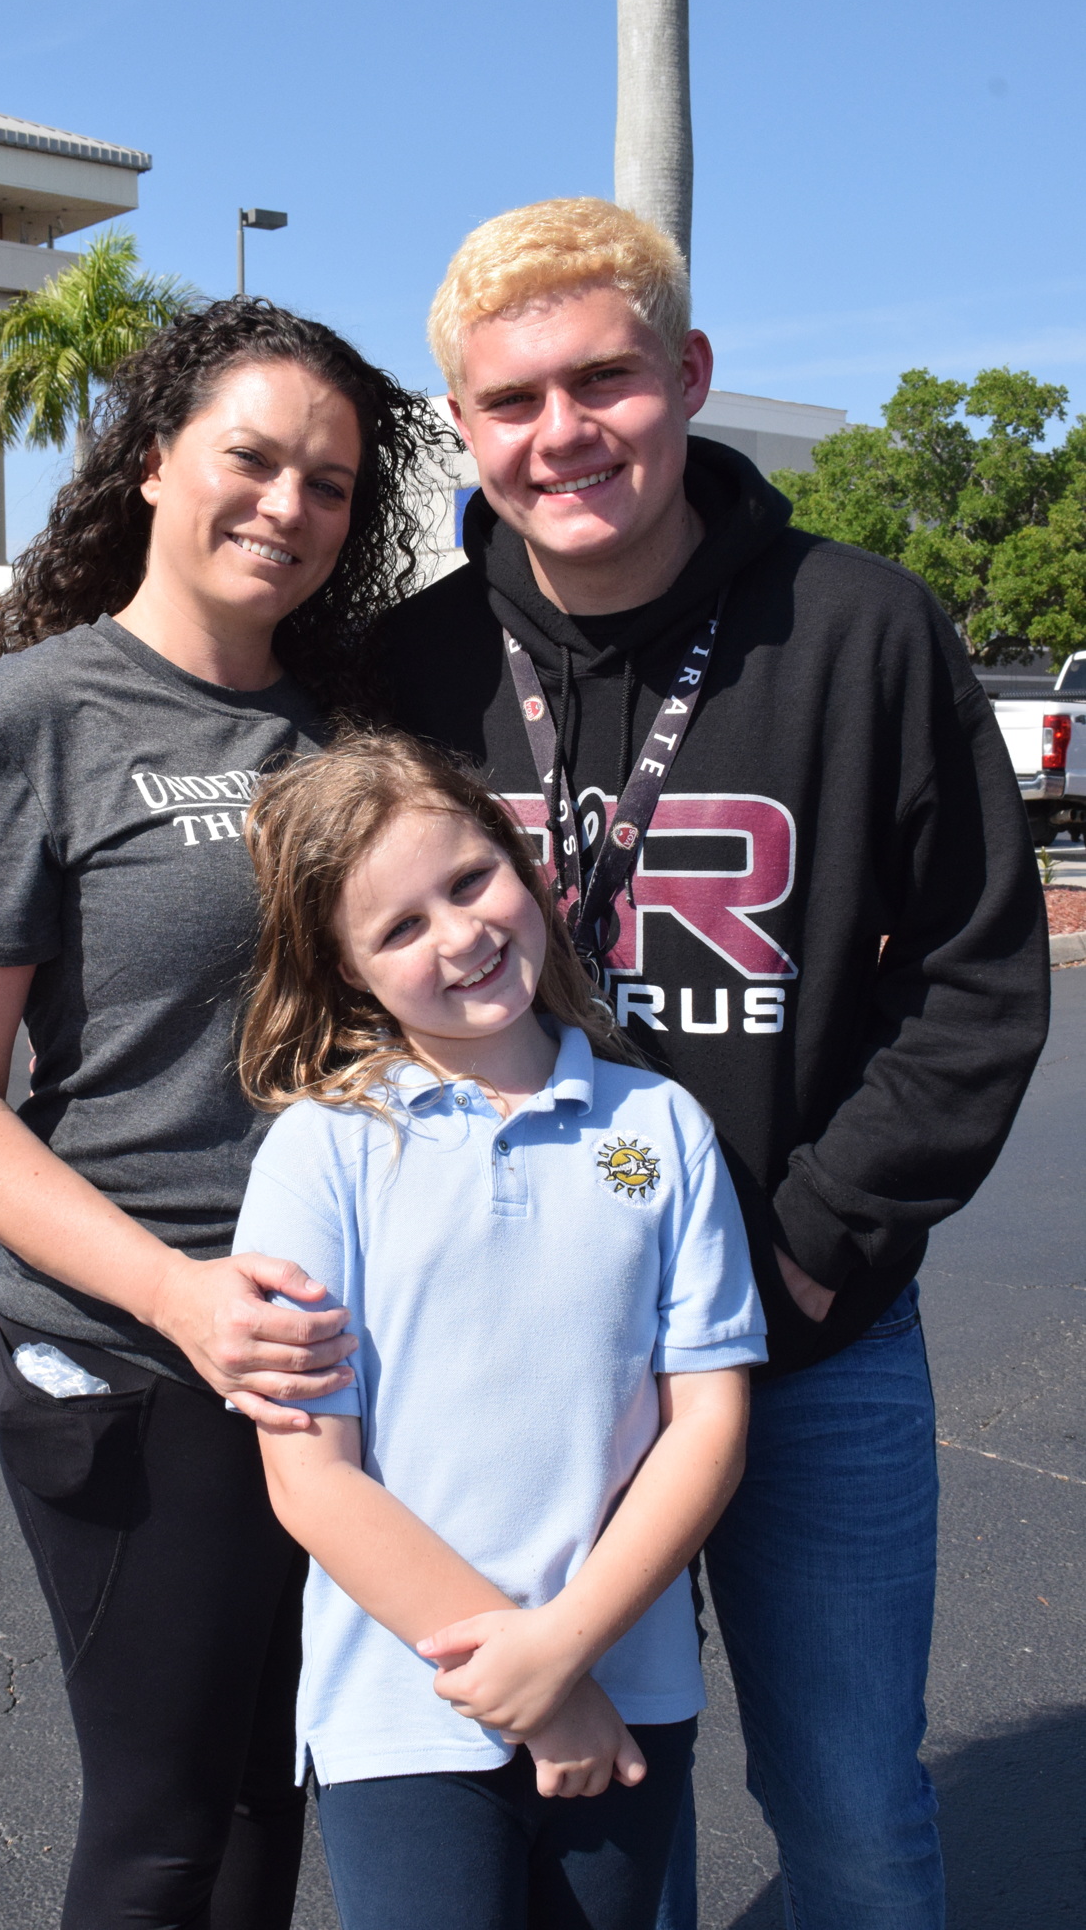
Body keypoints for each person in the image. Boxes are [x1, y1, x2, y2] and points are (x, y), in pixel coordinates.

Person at [372, 198, 1051, 1929]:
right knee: (603, 1815)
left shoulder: (862, 630)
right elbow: (333, 988)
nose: (559, 433)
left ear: (685, 375)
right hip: (527, 1367)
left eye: (601, 379)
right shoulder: (407, 671)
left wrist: (808, 1246)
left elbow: (973, 980)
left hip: (808, 1341)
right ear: (462, 420)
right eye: (508, 401)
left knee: (844, 1815)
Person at [0, 301, 446, 1930]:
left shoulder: (351, 726)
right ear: (153, 466)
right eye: (251, 459)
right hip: (139, 1352)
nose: (287, 505)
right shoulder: (26, 721)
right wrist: (178, 1297)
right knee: (163, 1815)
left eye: (331, 484)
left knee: (280, 1778)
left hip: (343, 1338)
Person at [230, 729, 767, 1930]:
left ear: (521, 865)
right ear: (348, 972)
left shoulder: (662, 1125)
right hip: (400, 1704)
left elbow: (707, 1426)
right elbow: (313, 1478)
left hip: (624, 1679)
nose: (460, 934)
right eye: (399, 927)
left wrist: (568, 1651)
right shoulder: (326, 1151)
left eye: (470, 881)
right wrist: (530, 1687)